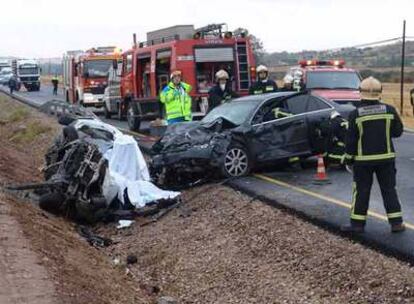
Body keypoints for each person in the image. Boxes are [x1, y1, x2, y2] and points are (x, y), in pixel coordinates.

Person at [341, 76, 405, 233]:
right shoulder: (390, 110)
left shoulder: (355, 114)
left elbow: (351, 141)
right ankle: (396, 223)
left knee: (362, 191)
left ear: (360, 92)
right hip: (386, 159)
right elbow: (398, 132)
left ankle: (357, 225)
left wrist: (348, 159)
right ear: (380, 92)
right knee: (389, 190)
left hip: (363, 162)